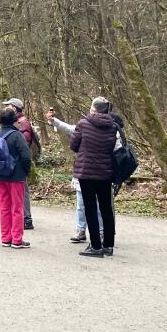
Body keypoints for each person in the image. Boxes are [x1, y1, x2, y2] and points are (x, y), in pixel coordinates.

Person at [45, 110, 105, 243]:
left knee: (99, 205)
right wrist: (54, 121)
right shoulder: (83, 126)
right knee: (81, 204)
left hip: (101, 171)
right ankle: (81, 230)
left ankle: (101, 232)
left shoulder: (108, 128)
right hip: (83, 170)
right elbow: (69, 129)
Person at [71, 97, 118, 257]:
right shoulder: (113, 126)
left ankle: (96, 246)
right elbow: (112, 147)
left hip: (86, 171)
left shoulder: (83, 124)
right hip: (106, 172)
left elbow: (74, 145)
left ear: (93, 108)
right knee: (106, 209)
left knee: (90, 208)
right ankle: (109, 246)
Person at [0, 108, 32, 249]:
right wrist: (26, 171)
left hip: (0, 176)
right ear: (14, 120)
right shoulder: (16, 136)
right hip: (16, 177)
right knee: (17, 208)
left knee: (4, 208)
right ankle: (17, 239)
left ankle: (5, 238)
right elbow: (26, 156)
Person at [2, 98, 36, 230]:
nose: (6, 108)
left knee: (23, 192)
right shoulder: (17, 123)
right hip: (14, 163)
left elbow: (24, 146)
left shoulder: (23, 124)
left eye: (9, 106)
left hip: (19, 164)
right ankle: (22, 217)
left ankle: (27, 219)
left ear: (15, 108)